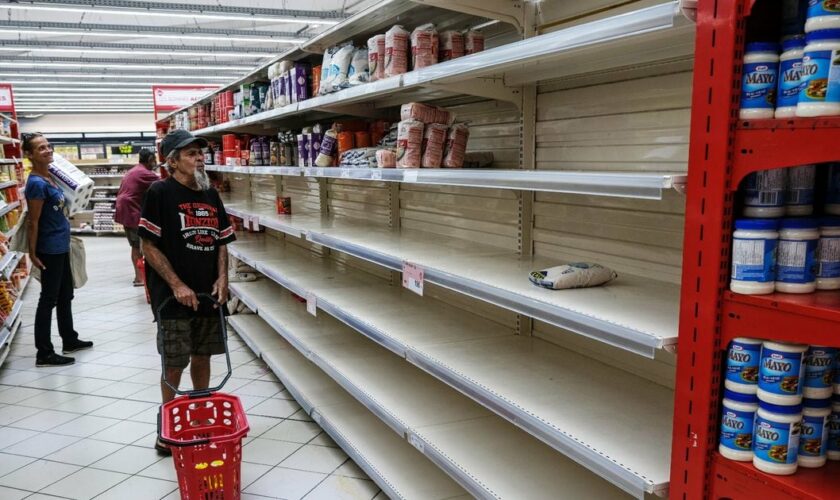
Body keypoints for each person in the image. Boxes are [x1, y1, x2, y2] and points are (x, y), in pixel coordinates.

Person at [137, 129, 235, 454]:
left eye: (200, 153)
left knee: (203, 356)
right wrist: (176, 284)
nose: (198, 159)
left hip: (208, 294)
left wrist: (223, 278)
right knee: (175, 362)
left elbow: (222, 241)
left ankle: (200, 417)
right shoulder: (159, 192)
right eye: (191, 154)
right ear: (173, 161)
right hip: (172, 298)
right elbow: (147, 245)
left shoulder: (211, 195)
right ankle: (166, 429)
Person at [23, 132, 93, 367]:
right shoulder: (35, 183)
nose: (48, 150)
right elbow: (33, 221)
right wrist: (32, 253)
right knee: (48, 298)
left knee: (66, 294)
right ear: (30, 155)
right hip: (49, 248)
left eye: (48, 146)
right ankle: (44, 352)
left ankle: (69, 339)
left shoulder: (50, 177)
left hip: (61, 244)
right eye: (41, 148)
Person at [114, 148, 159, 286]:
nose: (155, 162)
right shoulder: (144, 173)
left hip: (126, 208)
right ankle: (139, 278)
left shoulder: (135, 170)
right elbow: (165, 182)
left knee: (135, 244)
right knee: (136, 245)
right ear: (150, 160)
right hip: (131, 210)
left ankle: (140, 275)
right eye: (154, 160)